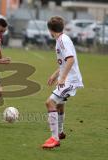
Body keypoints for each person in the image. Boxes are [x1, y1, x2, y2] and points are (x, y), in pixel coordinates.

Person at [42, 16, 84, 149]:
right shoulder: (61, 39)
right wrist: (55, 75)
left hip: (70, 80)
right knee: (59, 105)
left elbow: (70, 60)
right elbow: (65, 61)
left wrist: (62, 78)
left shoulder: (62, 40)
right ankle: (59, 133)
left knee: (50, 103)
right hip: (68, 78)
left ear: (50, 30)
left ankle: (54, 138)